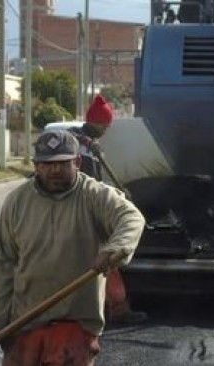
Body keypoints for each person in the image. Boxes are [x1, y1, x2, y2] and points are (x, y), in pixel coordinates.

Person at [0, 129, 146, 366]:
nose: (54, 170)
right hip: (26, 320)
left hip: (76, 324)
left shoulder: (95, 195)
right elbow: (5, 266)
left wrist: (116, 246)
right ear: (36, 165)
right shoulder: (17, 202)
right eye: (47, 164)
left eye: (62, 164)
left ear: (77, 162)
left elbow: (131, 217)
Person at [69, 94, 148, 325]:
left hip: (87, 209)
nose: (106, 129)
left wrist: (115, 193)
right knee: (107, 261)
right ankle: (118, 309)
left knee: (98, 264)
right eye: (104, 125)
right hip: (82, 213)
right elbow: (87, 181)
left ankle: (101, 307)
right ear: (95, 122)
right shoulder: (78, 143)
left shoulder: (88, 142)